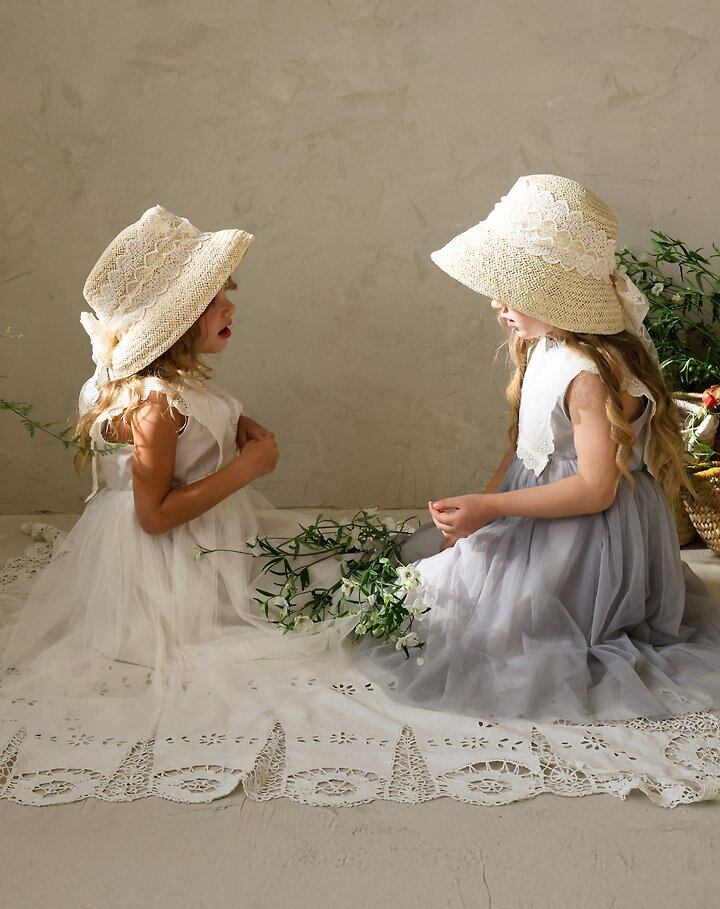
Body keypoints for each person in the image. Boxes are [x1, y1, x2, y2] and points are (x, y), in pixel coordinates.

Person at [0, 205, 355, 804]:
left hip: (202, 531)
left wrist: (239, 424)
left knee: (307, 573)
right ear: (178, 324)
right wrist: (247, 468)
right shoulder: (156, 408)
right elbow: (154, 516)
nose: (230, 309)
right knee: (273, 629)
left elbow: (206, 415)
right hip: (168, 557)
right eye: (215, 302)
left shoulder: (173, 388)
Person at [359, 174, 720, 722]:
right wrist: (480, 512)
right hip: (539, 504)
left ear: (557, 297)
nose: (497, 303)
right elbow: (525, 449)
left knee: (509, 634)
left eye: (515, 291)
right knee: (433, 568)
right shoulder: (546, 345)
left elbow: (596, 489)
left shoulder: (588, 376)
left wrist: (494, 507)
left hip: (587, 532)